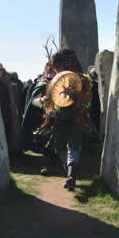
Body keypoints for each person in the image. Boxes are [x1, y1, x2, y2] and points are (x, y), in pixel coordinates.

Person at [40, 48, 93, 191]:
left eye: (59, 67)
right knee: (60, 147)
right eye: (55, 68)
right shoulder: (54, 81)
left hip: (76, 118)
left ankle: (71, 177)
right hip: (59, 120)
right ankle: (69, 175)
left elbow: (87, 101)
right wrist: (49, 111)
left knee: (73, 147)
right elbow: (48, 100)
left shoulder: (82, 80)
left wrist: (74, 95)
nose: (57, 71)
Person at [19, 62, 56, 154]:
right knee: (43, 141)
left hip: (57, 115)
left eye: (53, 69)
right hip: (42, 116)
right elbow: (33, 101)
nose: (51, 71)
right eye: (49, 69)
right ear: (45, 70)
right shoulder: (41, 83)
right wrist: (41, 100)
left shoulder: (60, 82)